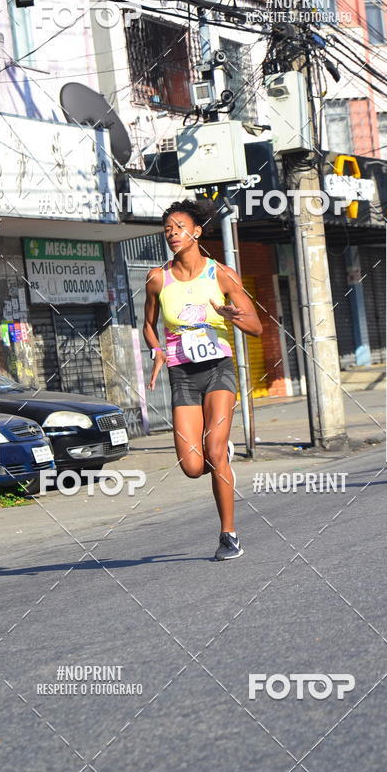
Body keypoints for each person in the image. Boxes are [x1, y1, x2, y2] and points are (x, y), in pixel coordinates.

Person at [143, 198, 263, 561]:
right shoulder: (156, 278)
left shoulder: (221, 274)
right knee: (194, 467)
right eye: (167, 229)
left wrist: (232, 315)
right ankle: (219, 449)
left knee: (212, 453)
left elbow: (257, 327)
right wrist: (158, 351)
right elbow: (148, 326)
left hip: (218, 371)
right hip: (182, 375)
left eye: (178, 227)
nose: (172, 234)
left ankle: (229, 535)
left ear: (196, 232)